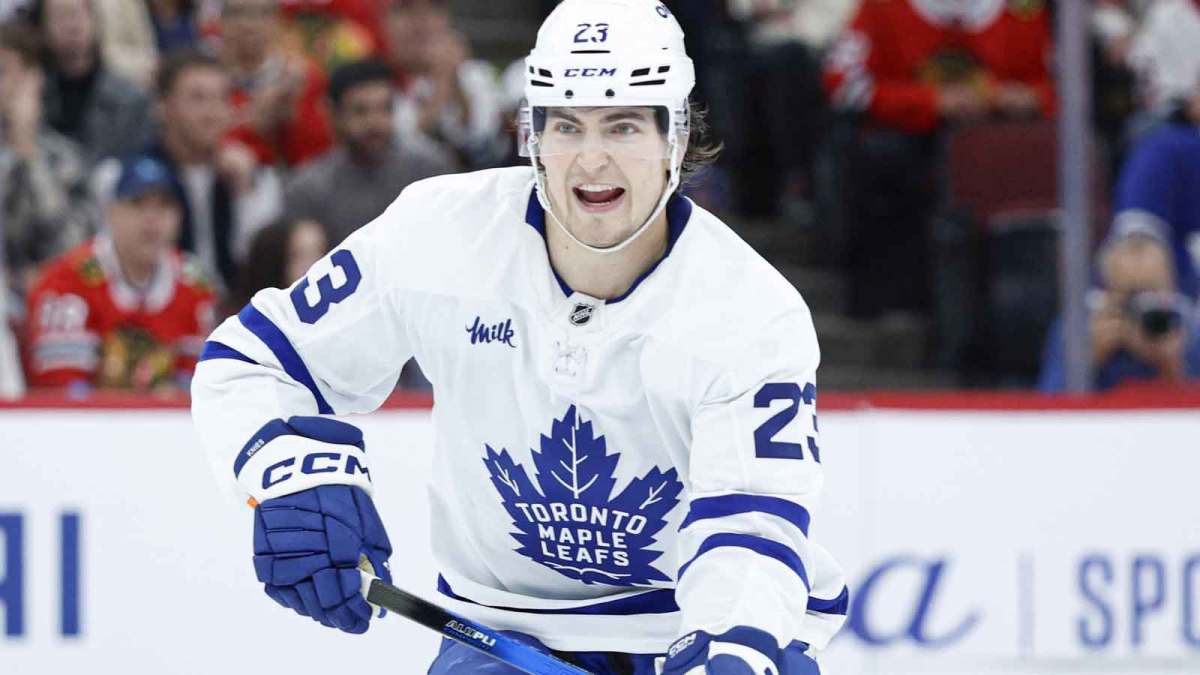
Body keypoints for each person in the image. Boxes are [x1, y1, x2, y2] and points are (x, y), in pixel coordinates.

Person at [191, 2, 846, 674]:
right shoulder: (437, 233)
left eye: (622, 125)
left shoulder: (750, 311)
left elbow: (751, 524)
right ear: (532, 136)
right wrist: (287, 474)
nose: (591, 159)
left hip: (691, 626)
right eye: (566, 125)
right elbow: (251, 361)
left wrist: (732, 645)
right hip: (504, 631)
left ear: (674, 139)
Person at [822, 0, 1054, 318]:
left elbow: (1065, 86)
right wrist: (930, 102)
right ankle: (894, 298)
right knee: (884, 159)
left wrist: (1031, 98)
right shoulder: (881, 7)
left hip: (997, 149)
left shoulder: (1023, 11)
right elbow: (842, 84)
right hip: (907, 145)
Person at [94, 49, 282, 291]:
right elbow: (108, 266)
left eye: (221, 99)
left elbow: (263, 272)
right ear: (162, 106)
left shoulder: (257, 177)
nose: (212, 113)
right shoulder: (119, 178)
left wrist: (245, 193)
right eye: (197, 98)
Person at [25, 154, 214, 391]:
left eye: (165, 206)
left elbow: (200, 385)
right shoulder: (67, 280)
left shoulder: (193, 284)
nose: (152, 219)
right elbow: (61, 388)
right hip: (88, 414)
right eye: (137, 204)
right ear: (112, 212)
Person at [283, 59, 456, 245]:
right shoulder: (308, 189)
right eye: (360, 111)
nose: (375, 122)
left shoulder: (430, 172)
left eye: (385, 108)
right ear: (334, 114)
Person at [0, 19, 97, 296]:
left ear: (33, 80)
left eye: (2, 71)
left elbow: (71, 251)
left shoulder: (64, 158)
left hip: (48, 301)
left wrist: (27, 152)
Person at [1039, 234, 1200, 392]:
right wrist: (1086, 362)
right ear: (1106, 293)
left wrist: (1173, 368)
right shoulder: (1077, 333)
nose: (1140, 309)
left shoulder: (1189, 331)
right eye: (1131, 296)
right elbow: (1047, 403)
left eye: (1150, 295)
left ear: (1170, 291)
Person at [33, 0, 154, 166]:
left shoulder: (131, 100)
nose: (72, 25)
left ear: (96, 21)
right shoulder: (33, 98)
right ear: (43, 29)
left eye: (78, 14)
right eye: (61, 16)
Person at [384, 0, 503, 169]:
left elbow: (484, 141)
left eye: (433, 9)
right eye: (406, 9)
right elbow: (401, 150)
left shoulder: (478, 74)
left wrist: (452, 77)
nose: (420, 22)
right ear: (385, 21)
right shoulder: (373, 82)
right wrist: (441, 83)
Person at [219, 0, 334, 167]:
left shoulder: (305, 77)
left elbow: (320, 155)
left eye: (262, 14)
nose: (248, 24)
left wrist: (294, 117)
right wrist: (252, 123)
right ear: (221, 22)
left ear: (278, 22)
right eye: (237, 13)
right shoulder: (205, 81)